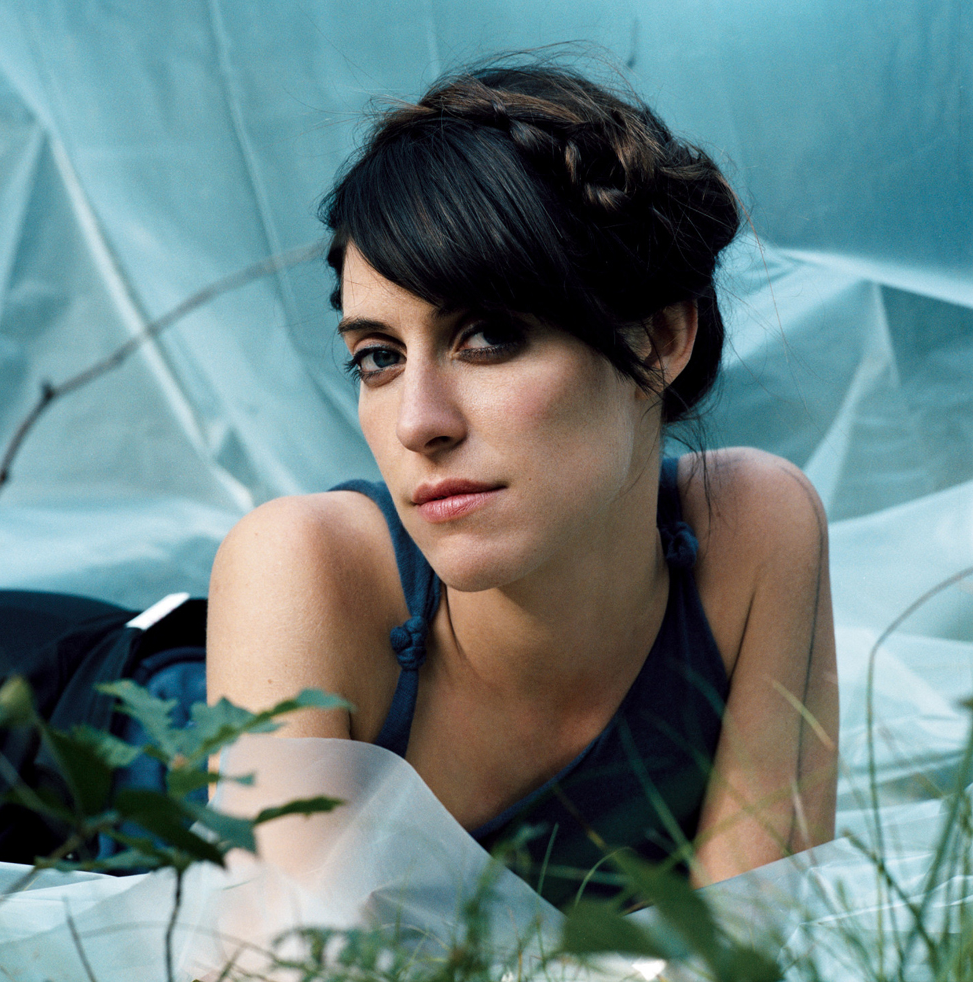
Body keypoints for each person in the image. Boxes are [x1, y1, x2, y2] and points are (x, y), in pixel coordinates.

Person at [206, 62, 839, 906]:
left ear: (657, 340)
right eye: (378, 357)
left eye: (489, 337)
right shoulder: (301, 565)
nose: (418, 423)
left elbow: (755, 940)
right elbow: (271, 961)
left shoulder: (751, 532)